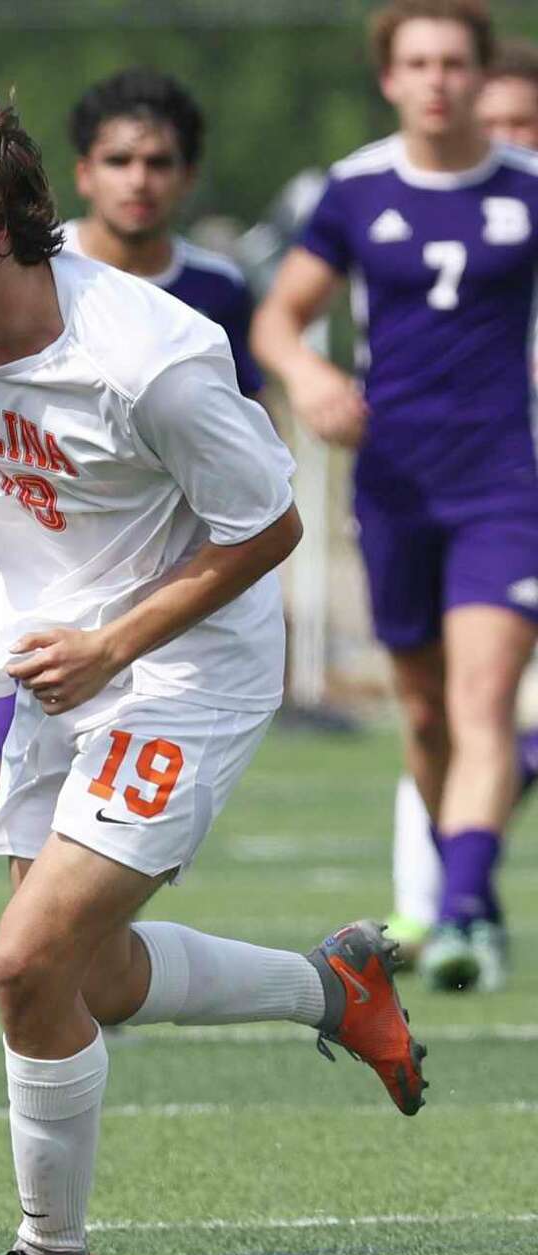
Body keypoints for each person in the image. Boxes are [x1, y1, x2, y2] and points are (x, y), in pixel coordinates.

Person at [0, 92, 424, 1255]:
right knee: (81, 982)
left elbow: (266, 527)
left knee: (23, 962)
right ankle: (336, 990)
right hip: (66, 660)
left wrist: (113, 644)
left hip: (185, 670)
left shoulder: (151, 358)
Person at [0, 68, 265, 942]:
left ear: (186, 175)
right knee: (44, 921)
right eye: (120, 159)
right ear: (85, 172)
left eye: (161, 161)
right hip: (48, 596)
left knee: (50, 950)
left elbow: (244, 483)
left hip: (167, 612)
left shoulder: (196, 308)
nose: (140, 178)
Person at [254, 0, 538, 992]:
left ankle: (457, 914)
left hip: (505, 480)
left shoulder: (528, 191)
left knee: (483, 695)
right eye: (416, 62)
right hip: (395, 480)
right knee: (423, 712)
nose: (437, 80)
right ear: (390, 78)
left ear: (477, 71)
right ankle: (477, 893)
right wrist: (312, 377)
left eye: (454, 62)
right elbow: (280, 318)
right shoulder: (357, 188)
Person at [386, 32, 538, 960]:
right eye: (501, 123)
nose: (512, 136)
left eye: (526, 121)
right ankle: (433, 905)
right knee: (447, 711)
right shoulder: (421, 219)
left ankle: (462, 902)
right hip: (477, 499)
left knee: (484, 713)